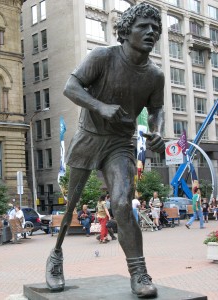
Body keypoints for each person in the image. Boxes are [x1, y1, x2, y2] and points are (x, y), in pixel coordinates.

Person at [46, 3, 165, 298]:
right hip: (89, 137)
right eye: (143, 27)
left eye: (155, 28)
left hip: (120, 144)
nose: (152, 32)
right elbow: (70, 86)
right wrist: (100, 106)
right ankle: (56, 255)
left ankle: (139, 273)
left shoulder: (155, 75)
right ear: (126, 32)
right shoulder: (102, 57)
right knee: (72, 203)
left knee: (123, 203)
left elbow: (156, 109)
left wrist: (158, 131)